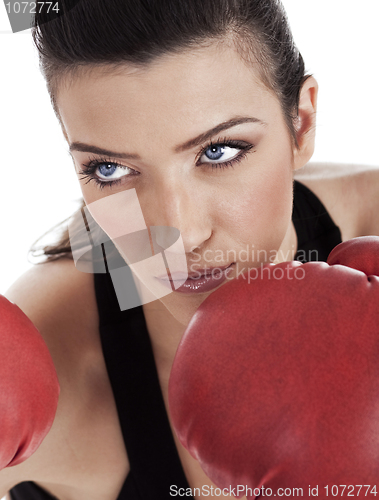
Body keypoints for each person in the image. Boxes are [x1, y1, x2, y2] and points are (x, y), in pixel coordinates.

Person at [0, 0, 378, 499]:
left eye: (218, 151)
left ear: (302, 123)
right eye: (109, 170)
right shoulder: (52, 370)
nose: (177, 234)